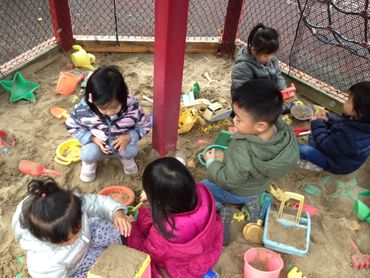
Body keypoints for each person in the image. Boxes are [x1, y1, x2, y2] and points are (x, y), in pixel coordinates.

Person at [204, 80, 299, 245]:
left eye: (239, 119)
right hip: (258, 187)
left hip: (238, 189)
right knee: (249, 182)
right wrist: (244, 128)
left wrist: (212, 163)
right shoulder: (283, 131)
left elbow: (229, 179)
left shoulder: (243, 149)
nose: (234, 120)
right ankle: (250, 201)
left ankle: (221, 208)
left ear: (260, 126)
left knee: (202, 188)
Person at [12, 177, 132, 277]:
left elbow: (97, 203)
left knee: (118, 228)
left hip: (91, 236)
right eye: (68, 240)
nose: (76, 237)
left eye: (78, 227)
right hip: (76, 267)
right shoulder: (44, 262)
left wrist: (117, 214)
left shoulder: (71, 206)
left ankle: (126, 239)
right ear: (48, 239)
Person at [127, 157, 223, 277]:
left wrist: (133, 227)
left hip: (185, 264)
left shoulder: (166, 230)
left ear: (159, 200)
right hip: (207, 248)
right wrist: (155, 196)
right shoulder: (202, 191)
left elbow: (146, 252)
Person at [66, 65, 151, 182]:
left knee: (131, 151)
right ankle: (90, 164)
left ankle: (126, 158)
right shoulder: (83, 110)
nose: (110, 112)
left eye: (115, 107)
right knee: (87, 154)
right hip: (97, 145)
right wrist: (91, 138)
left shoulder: (132, 107)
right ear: (93, 101)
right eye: (103, 108)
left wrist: (129, 137)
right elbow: (72, 126)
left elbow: (144, 125)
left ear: (123, 97)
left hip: (122, 145)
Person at [299, 81, 370, 174]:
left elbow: (325, 144)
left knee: (304, 150)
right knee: (314, 136)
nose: (345, 102)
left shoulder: (351, 137)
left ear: (360, 112)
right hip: (339, 153)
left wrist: (317, 124)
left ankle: (320, 164)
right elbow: (342, 124)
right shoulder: (361, 121)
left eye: (348, 101)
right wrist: (329, 119)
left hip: (336, 164)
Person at [231, 23, 287, 91]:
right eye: (265, 55)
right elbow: (243, 89)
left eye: (272, 54)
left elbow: (278, 76)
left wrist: (282, 88)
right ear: (253, 50)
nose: (269, 58)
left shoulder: (272, 60)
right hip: (247, 97)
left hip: (266, 93)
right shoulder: (243, 66)